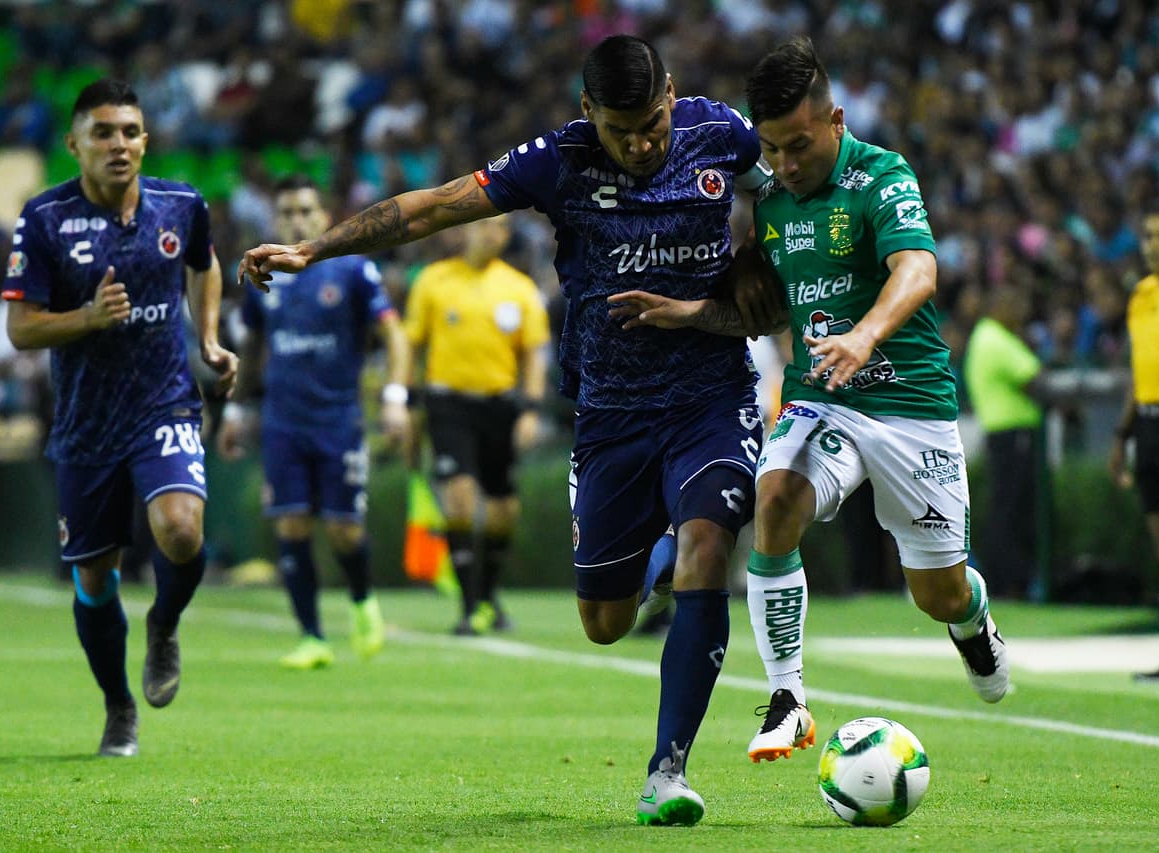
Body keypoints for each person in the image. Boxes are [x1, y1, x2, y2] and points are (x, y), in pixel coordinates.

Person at [241, 34, 767, 827]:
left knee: (709, 546)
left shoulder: (720, 133)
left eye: (652, 123)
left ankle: (669, 769)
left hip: (710, 395)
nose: (641, 143)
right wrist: (317, 248)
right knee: (605, 621)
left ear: (672, 95)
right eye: (621, 130)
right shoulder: (559, 160)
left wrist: (770, 263)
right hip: (612, 414)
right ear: (589, 112)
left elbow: (794, 184)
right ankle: (655, 556)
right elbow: (434, 205)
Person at [606, 37, 1011, 763]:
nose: (786, 165)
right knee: (777, 495)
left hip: (909, 406)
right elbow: (766, 314)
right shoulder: (770, 204)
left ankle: (972, 621)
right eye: (772, 149)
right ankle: (789, 697)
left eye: (799, 145)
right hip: (821, 399)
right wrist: (693, 312)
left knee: (939, 594)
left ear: (837, 121)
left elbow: (918, 269)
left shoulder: (881, 175)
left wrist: (864, 335)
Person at [3, 79, 238, 757]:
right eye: (103, 132)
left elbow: (205, 264)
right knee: (95, 578)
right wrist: (88, 317)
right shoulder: (44, 218)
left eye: (130, 131)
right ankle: (117, 706)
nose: (119, 144)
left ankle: (164, 623)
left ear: (146, 140)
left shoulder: (181, 203)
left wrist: (210, 337)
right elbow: (20, 328)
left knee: (181, 529)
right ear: (73, 142)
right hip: (85, 423)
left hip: (162, 399)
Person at [217, 174, 412, 669]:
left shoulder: (351, 271)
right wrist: (237, 410)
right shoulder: (264, 277)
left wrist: (393, 397)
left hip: (339, 418)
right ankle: (311, 637)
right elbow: (253, 347)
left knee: (344, 531)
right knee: (292, 524)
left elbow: (395, 336)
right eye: (287, 213)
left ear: (324, 217)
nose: (297, 220)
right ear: (274, 219)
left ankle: (363, 600)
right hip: (283, 420)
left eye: (306, 211)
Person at [402, 216, 549, 635]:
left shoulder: (518, 288)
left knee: (503, 510)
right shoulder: (434, 280)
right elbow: (412, 343)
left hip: (499, 406)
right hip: (447, 402)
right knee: (461, 498)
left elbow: (534, 353)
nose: (494, 234)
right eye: (486, 225)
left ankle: (487, 596)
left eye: (502, 228)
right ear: (464, 229)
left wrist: (532, 408)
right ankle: (469, 608)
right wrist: (406, 401)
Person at [1110, 203, 1159, 680]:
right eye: (1149, 236)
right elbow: (1140, 370)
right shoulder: (1140, 294)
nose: (1155, 245)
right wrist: (1122, 434)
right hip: (1150, 427)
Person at [964, 284, 1046, 601]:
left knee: (1007, 509)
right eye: (1015, 305)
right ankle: (1011, 582)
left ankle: (1006, 580)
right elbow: (1034, 378)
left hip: (1004, 436)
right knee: (1012, 512)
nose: (1022, 313)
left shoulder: (987, 336)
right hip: (1013, 435)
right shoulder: (995, 338)